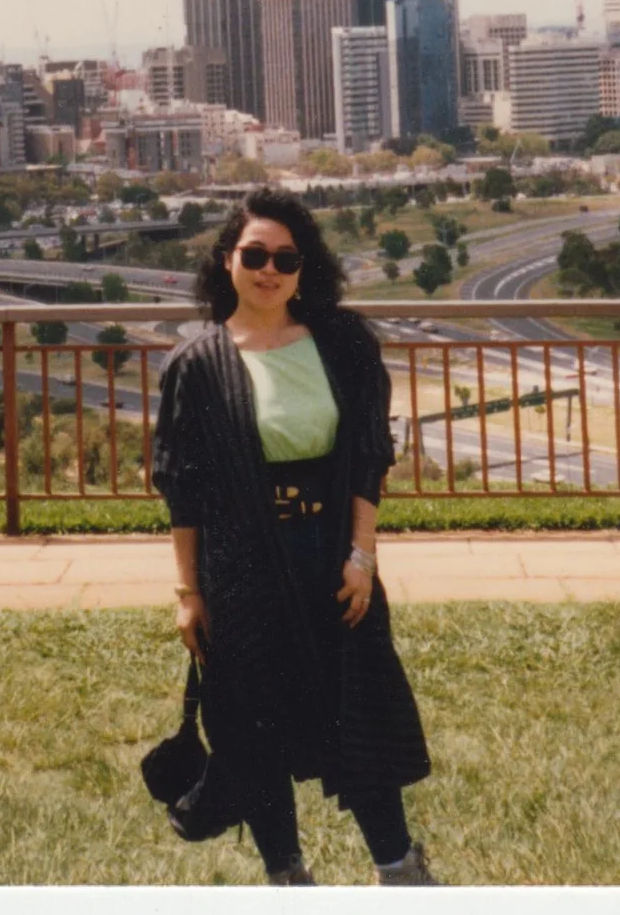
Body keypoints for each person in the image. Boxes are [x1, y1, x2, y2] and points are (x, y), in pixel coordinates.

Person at [151, 186, 437, 886]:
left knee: (358, 715)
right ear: (227, 261)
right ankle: (287, 877)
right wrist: (189, 593)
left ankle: (398, 868)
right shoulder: (198, 365)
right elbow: (182, 489)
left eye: (286, 257)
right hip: (241, 571)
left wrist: (362, 556)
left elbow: (370, 457)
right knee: (253, 726)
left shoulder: (342, 345)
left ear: (306, 270)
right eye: (255, 255)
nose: (269, 269)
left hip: (331, 561)